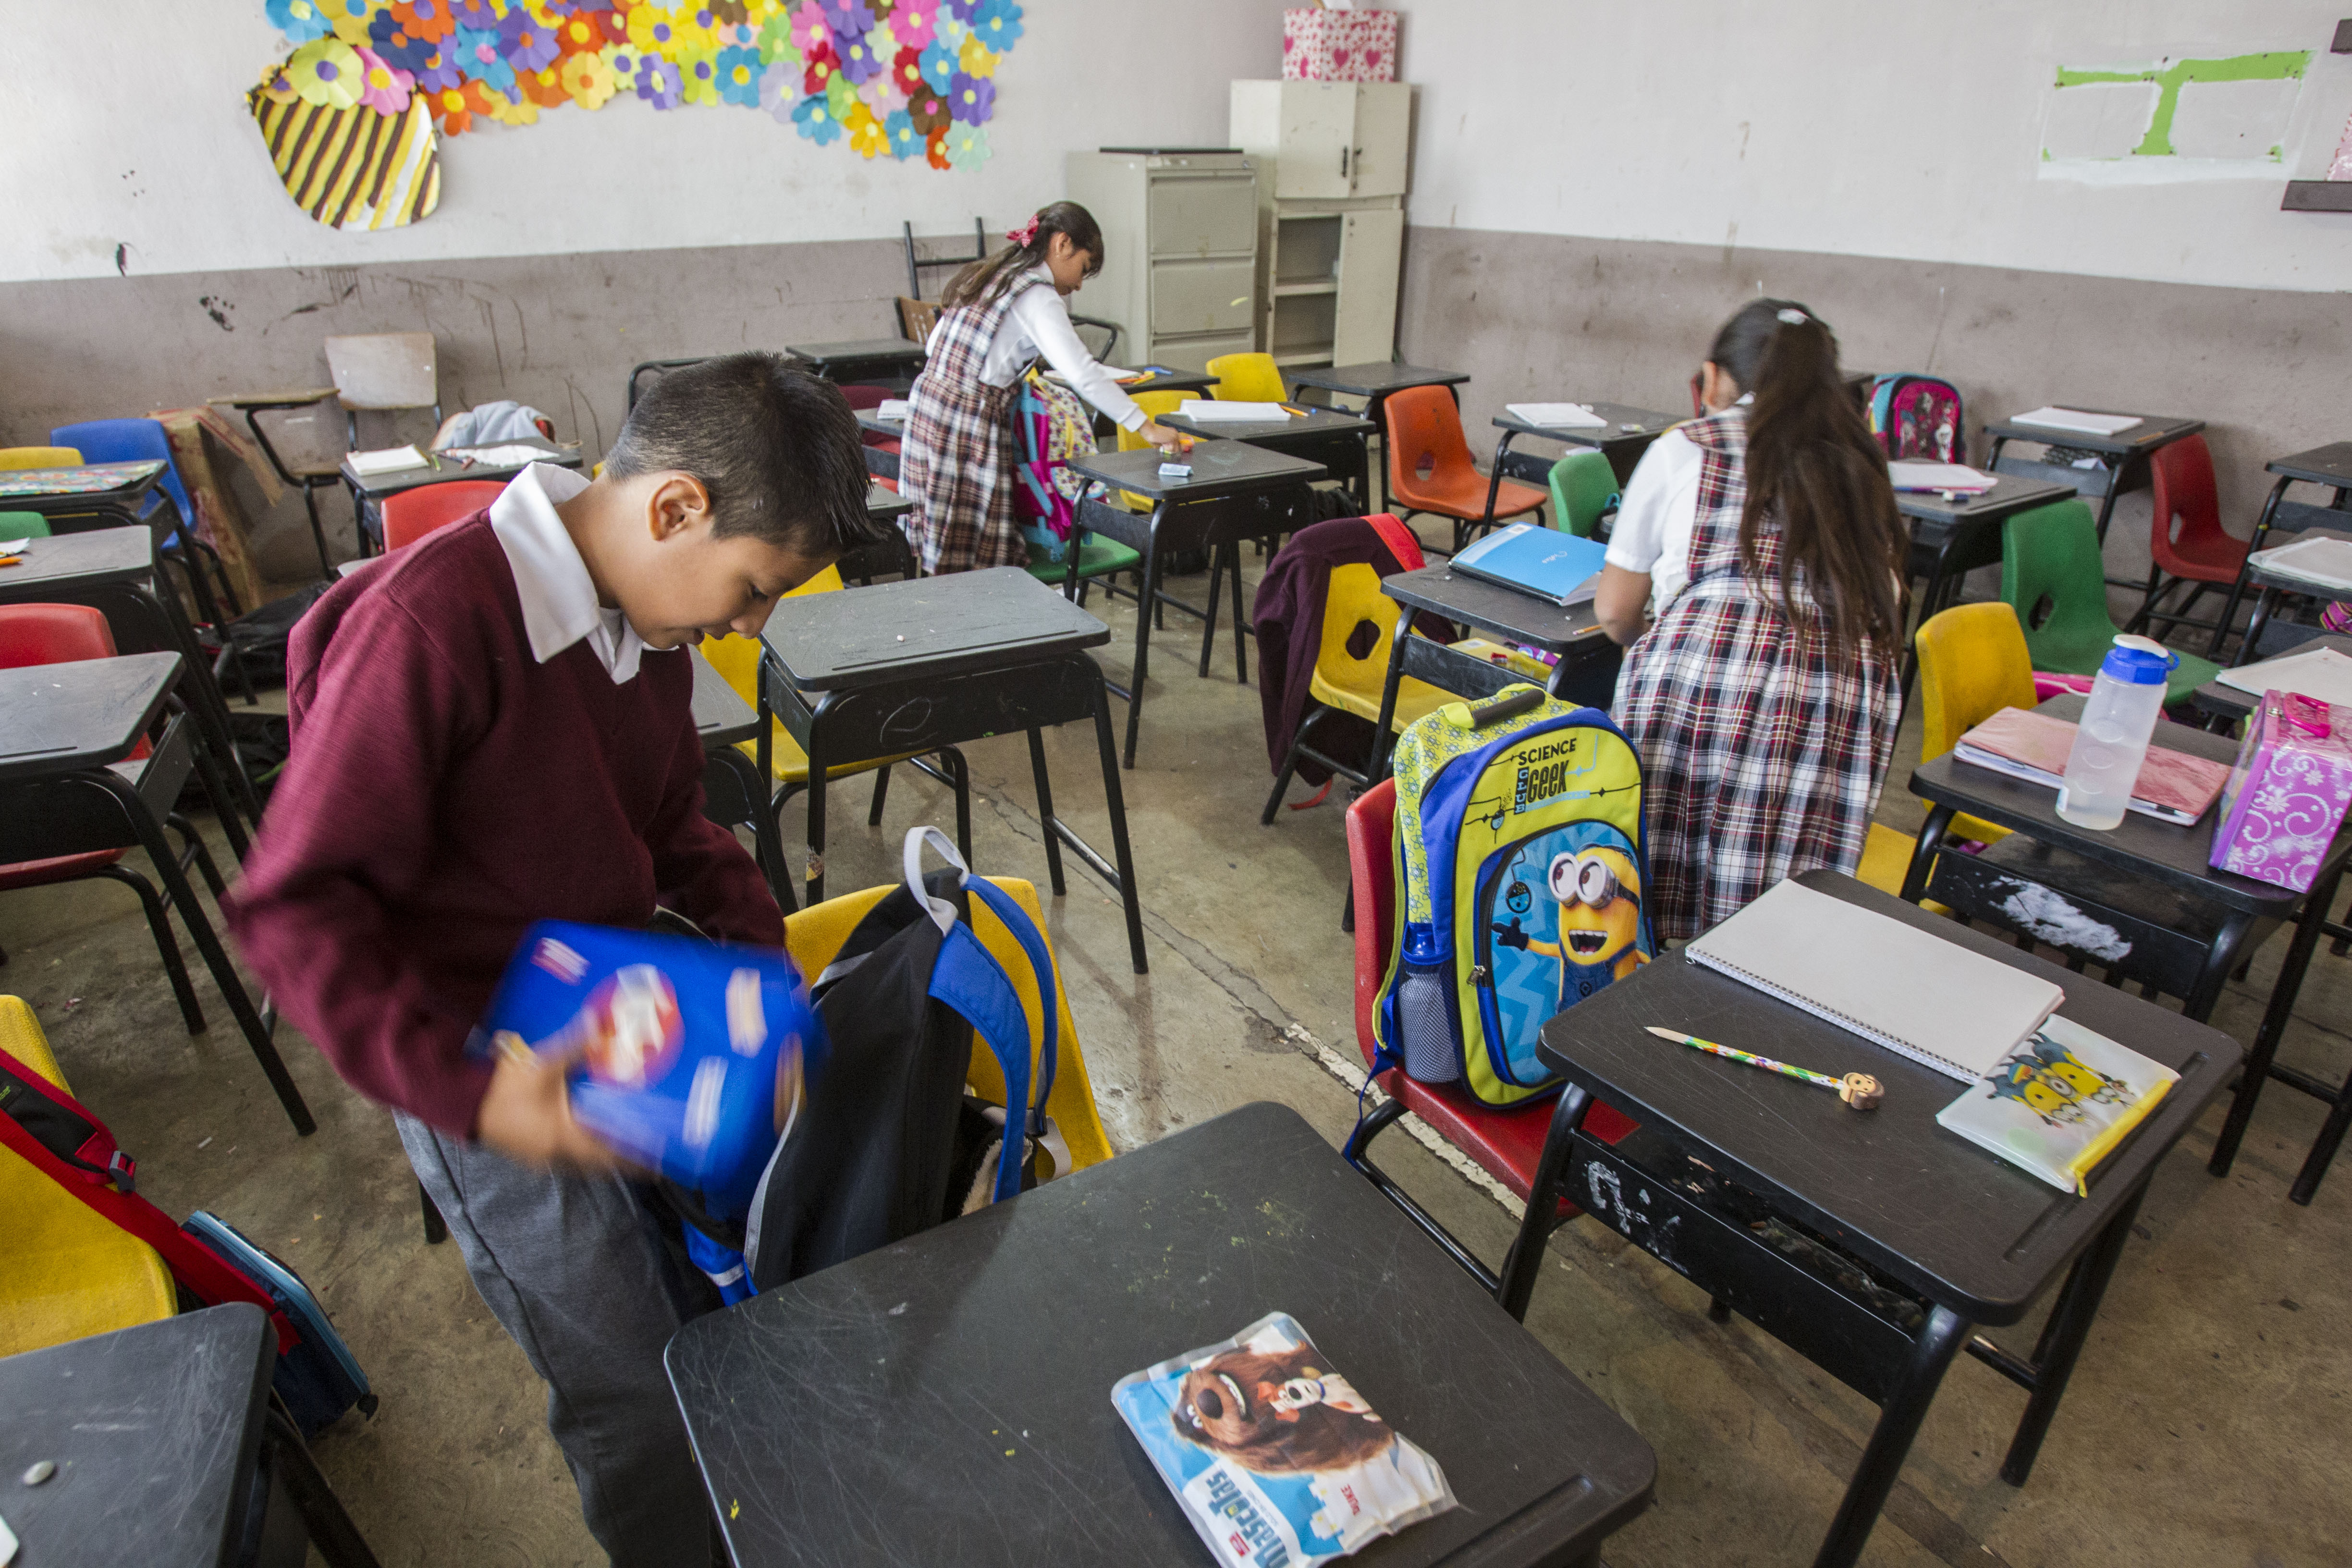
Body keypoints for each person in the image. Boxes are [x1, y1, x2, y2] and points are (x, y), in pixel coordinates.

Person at [222, 354, 885, 1566]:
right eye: (753, 587)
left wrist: (756, 958)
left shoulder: (644, 621)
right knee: (627, 1379)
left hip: (623, 1012)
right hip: (489, 1061)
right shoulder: (433, 622)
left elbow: (669, 818)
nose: (752, 623)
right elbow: (292, 905)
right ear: (675, 507)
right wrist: (478, 1095)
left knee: (706, 1303)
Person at [1592, 299, 1907, 942]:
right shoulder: (1863, 465)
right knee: (1774, 902)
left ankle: (1634, 1003)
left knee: (1649, 865)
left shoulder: (1689, 447)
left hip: (1704, 675)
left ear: (1711, 379)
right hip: (1840, 691)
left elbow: (1616, 612)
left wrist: (1653, 639)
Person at [899, 199, 1191, 575]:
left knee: (936, 535)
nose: (1079, 285)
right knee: (968, 549)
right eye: (1083, 269)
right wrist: (1147, 428)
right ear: (1062, 244)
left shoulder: (994, 274)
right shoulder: (1038, 294)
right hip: (965, 424)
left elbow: (934, 343)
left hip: (928, 409)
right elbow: (1082, 373)